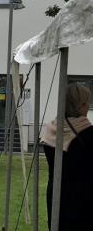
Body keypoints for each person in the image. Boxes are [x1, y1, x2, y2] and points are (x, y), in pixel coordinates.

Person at [41, 83, 93, 230]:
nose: (88, 106)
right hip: (82, 199)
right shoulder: (88, 135)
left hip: (56, 192)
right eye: (86, 103)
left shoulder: (52, 128)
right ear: (81, 105)